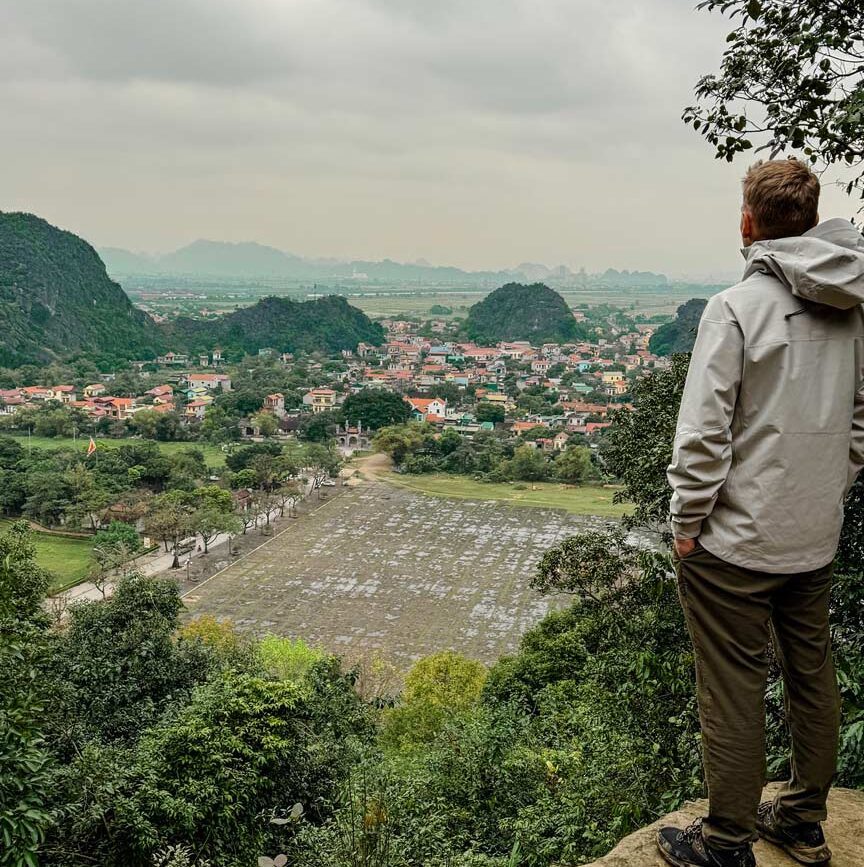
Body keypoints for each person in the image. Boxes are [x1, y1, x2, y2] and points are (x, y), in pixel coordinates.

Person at [657, 158, 864, 867]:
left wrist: (687, 524)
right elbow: (861, 422)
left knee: (734, 687)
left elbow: (704, 434)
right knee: (812, 674)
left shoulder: (736, 309)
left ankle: (726, 840)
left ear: (749, 223)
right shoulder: (852, 306)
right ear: (809, 222)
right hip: (812, 535)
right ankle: (804, 820)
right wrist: (829, 488)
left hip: (735, 546)